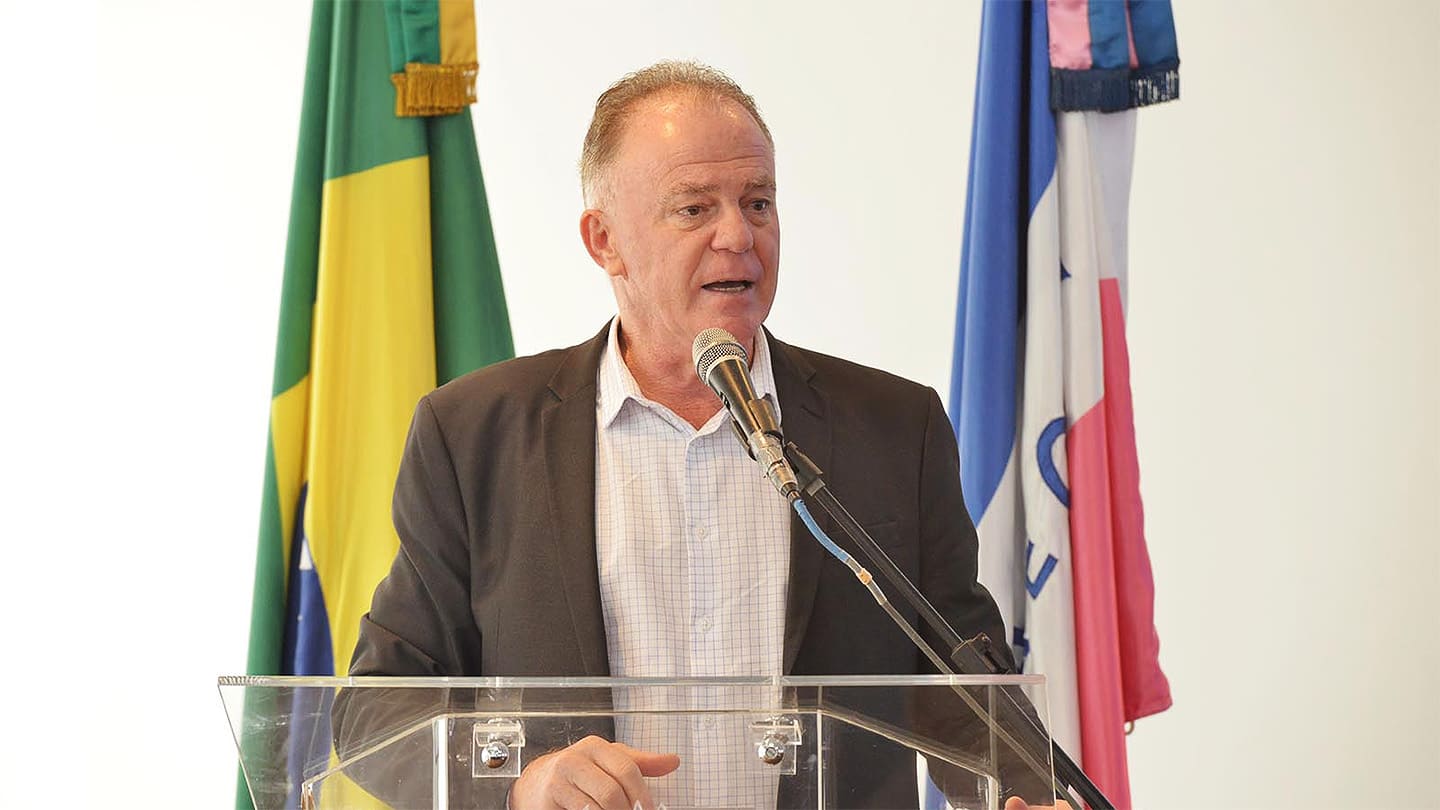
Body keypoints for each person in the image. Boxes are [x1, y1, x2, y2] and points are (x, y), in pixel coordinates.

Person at [340, 60, 1035, 810]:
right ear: (605, 240)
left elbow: (966, 691)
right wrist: (521, 783)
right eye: (694, 208)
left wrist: (1024, 795)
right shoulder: (474, 435)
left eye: (758, 202)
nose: (738, 235)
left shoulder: (895, 428)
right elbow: (377, 711)